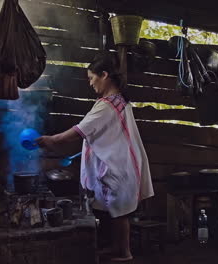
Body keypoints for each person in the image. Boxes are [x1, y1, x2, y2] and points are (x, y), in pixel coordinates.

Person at [36, 53, 154, 262]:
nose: (90, 83)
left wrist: (52, 140)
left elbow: (80, 130)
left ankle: (125, 254)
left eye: (92, 78)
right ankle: (117, 248)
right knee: (117, 211)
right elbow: (107, 133)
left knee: (120, 213)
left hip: (118, 166)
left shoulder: (107, 105)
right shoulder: (119, 101)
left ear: (105, 75)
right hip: (122, 162)